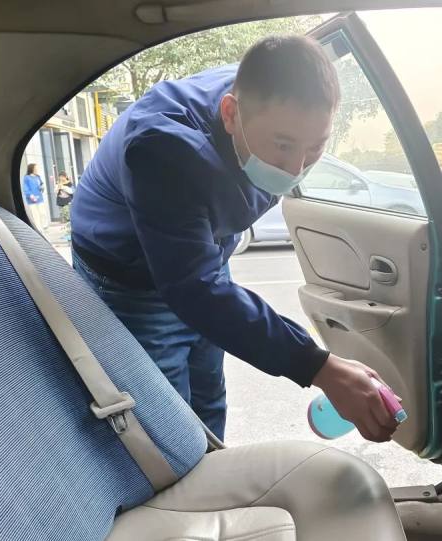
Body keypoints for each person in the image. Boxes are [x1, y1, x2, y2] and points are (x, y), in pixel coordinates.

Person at [70, 35, 398, 443]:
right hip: (128, 275)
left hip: (196, 257)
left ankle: (213, 465)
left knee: (209, 396)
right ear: (230, 114)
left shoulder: (266, 98)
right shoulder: (162, 148)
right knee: (167, 426)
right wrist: (321, 367)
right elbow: (194, 289)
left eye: (315, 147)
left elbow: (204, 284)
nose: (295, 168)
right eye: (283, 145)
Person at [22, 163, 45, 231]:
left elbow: (41, 185)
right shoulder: (27, 177)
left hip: (39, 197)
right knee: (35, 215)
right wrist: (30, 195)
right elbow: (25, 187)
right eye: (35, 168)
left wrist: (42, 187)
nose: (37, 169)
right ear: (32, 169)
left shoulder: (38, 177)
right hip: (31, 199)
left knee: (42, 213)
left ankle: (43, 226)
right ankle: (39, 229)